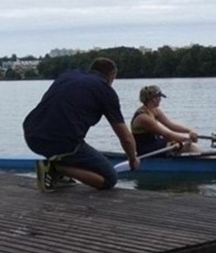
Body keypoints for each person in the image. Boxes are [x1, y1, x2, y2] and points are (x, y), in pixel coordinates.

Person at [22, 57, 139, 190]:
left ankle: (59, 173)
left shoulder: (68, 76)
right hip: (62, 143)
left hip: (31, 134)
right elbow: (126, 138)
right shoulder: (105, 90)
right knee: (109, 179)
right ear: (111, 76)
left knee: (76, 145)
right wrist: (132, 159)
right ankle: (55, 168)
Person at [130, 85, 200, 155]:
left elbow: (171, 125)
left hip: (155, 142)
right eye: (159, 97)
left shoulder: (154, 110)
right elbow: (167, 134)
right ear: (154, 99)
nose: (160, 99)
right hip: (146, 149)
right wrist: (187, 139)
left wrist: (190, 131)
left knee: (184, 145)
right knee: (191, 147)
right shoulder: (143, 117)